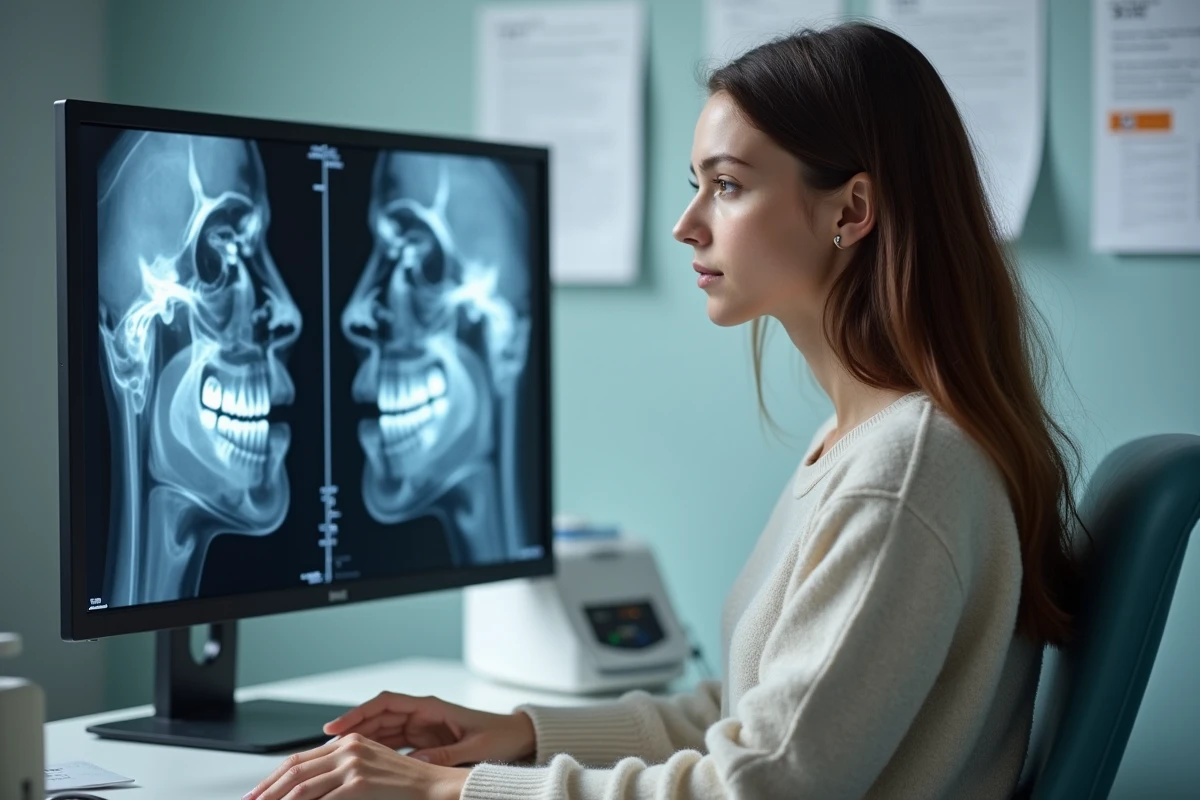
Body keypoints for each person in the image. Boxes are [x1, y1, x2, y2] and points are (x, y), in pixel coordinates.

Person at [244, 20, 1083, 800]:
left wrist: (447, 789)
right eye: (697, 186)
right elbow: (753, 716)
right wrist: (516, 734)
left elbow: (758, 786)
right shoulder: (861, 444)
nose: (687, 225)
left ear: (851, 210)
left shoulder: (904, 471)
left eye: (727, 186)